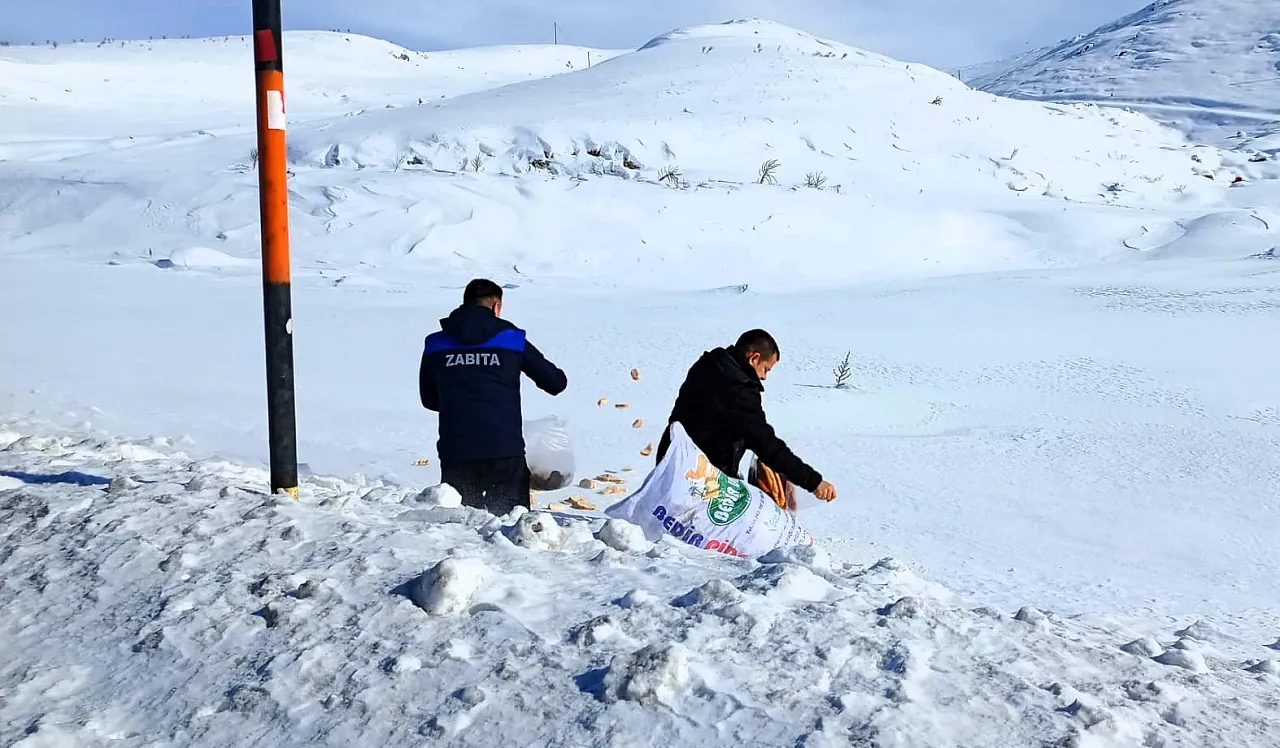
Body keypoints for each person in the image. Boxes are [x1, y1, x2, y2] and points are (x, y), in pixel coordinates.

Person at [419, 279, 568, 514]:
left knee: (462, 529)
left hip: (456, 450)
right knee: (509, 527)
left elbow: (428, 399)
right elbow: (555, 383)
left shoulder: (436, 343)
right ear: (496, 307)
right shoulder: (511, 338)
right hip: (503, 449)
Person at [655, 329, 838, 503]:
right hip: (699, 480)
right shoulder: (738, 389)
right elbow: (765, 443)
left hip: (671, 464)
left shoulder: (709, 366)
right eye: (766, 369)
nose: (764, 377)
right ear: (754, 358)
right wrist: (814, 482)